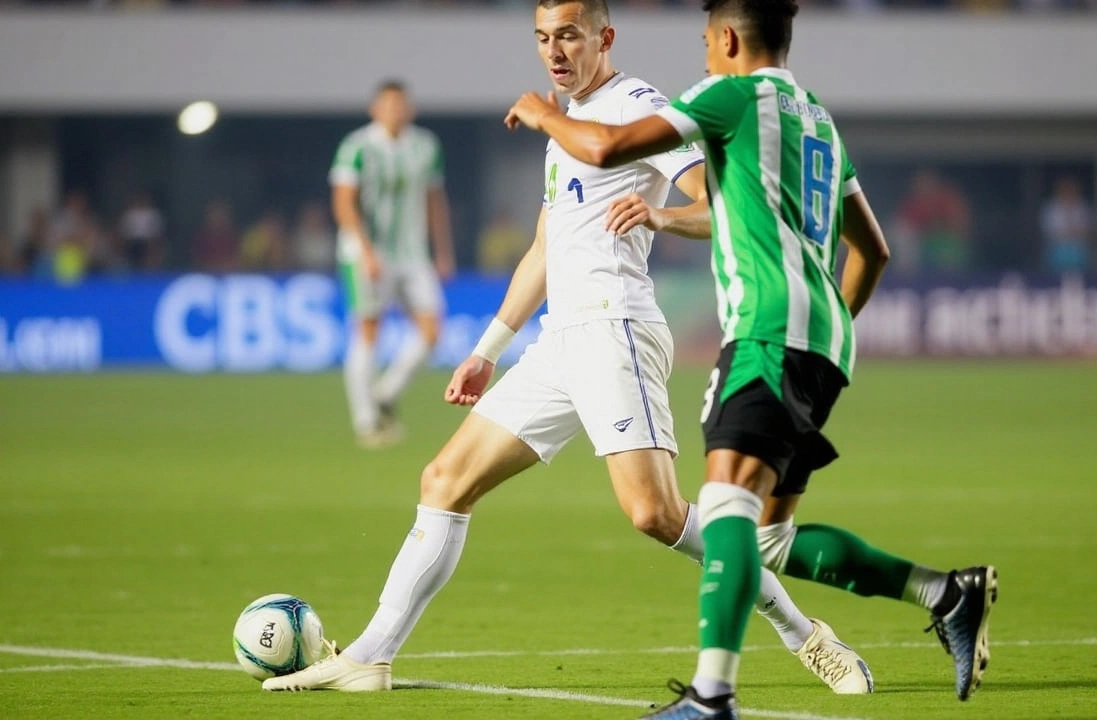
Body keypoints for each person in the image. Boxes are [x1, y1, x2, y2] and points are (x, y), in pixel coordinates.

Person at [264, 0, 871, 696]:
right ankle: (371, 654)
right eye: (543, 38)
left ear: (603, 38)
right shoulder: (567, 131)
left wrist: (664, 215)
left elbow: (721, 205)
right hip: (561, 339)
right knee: (444, 480)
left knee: (656, 514)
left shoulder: (637, 104)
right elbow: (545, 250)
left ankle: (804, 633)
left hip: (617, 330)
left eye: (570, 36)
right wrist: (490, 347)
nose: (555, 51)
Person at [504, 0, 997, 715]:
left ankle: (711, 697)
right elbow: (874, 250)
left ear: (728, 38)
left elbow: (609, 149)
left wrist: (542, 114)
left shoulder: (728, 94)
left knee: (725, 504)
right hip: (827, 339)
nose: (703, 55)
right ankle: (947, 594)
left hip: (766, 330)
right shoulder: (819, 119)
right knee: (763, 537)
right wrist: (820, 333)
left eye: (706, 41)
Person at [330, 80, 458, 448]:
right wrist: (365, 250)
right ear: (375, 109)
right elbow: (343, 202)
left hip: (413, 254)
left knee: (432, 330)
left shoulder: (425, 146)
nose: (395, 111)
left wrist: (442, 251)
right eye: (388, 105)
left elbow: (435, 200)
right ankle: (366, 420)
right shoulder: (357, 147)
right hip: (365, 254)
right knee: (369, 329)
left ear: (410, 109)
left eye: (401, 105)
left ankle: (385, 393)